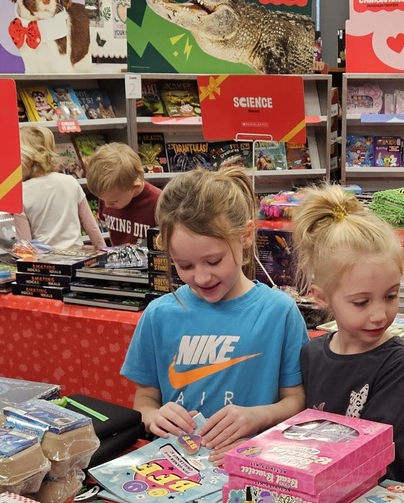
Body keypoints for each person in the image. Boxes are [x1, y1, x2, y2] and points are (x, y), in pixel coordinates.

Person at [121, 167, 308, 464]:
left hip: (253, 465)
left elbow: (296, 401)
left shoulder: (278, 312)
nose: (202, 277)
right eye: (184, 266)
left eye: (213, 260)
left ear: (245, 236)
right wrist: (155, 416)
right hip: (176, 467)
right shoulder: (159, 314)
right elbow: (144, 401)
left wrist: (257, 417)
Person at [293, 184, 404, 483]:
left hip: (377, 494)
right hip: (316, 486)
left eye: (390, 296)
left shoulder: (398, 362)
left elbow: (368, 445)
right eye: (361, 302)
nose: (379, 314)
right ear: (321, 297)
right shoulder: (311, 354)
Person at [13, 126, 106, 250]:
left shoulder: (20, 193)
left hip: (45, 263)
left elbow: (24, 246)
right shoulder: (70, 182)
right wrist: (105, 254)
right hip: (76, 259)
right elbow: (92, 227)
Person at [84, 142, 162, 246]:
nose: (107, 205)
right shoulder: (108, 195)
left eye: (114, 202)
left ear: (135, 186)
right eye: (102, 199)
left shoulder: (159, 202)